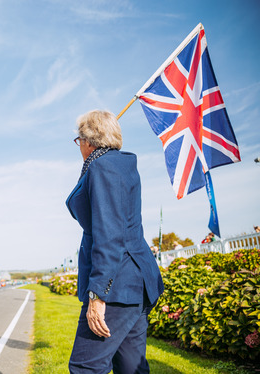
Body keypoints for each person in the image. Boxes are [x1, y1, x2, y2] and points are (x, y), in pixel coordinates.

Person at [65, 110, 164, 373]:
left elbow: (110, 235)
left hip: (117, 284)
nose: (79, 147)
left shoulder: (102, 166)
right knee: (131, 367)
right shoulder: (118, 165)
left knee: (86, 366)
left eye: (79, 140)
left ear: (87, 140)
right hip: (135, 283)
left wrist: (98, 294)